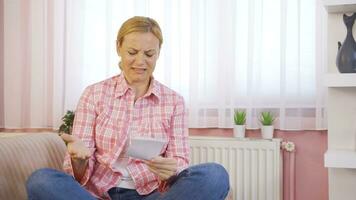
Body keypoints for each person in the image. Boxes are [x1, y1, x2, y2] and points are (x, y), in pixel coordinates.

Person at [26, 16, 230, 200]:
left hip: (154, 194)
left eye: (149, 54)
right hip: (100, 194)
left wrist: (171, 169)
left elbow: (180, 160)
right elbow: (78, 176)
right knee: (41, 180)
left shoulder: (174, 101)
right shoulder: (94, 94)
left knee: (215, 175)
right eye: (132, 52)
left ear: (159, 53)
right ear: (118, 48)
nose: (140, 61)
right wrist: (78, 160)